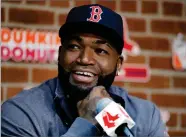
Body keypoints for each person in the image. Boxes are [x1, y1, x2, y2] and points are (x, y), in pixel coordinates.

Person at [1, 4, 168, 137]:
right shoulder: (21, 112)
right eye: (74, 46)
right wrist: (86, 124)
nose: (84, 59)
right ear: (60, 55)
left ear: (118, 64)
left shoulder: (146, 115)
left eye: (100, 50)